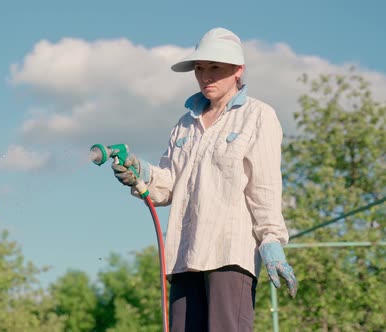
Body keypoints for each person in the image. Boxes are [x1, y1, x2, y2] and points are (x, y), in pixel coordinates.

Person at [111, 27, 298, 331]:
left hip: (230, 254)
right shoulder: (184, 124)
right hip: (184, 256)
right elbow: (167, 186)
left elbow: (264, 188)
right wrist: (140, 173)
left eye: (215, 68)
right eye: (199, 68)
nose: (206, 76)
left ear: (238, 70)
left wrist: (271, 239)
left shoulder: (258, 116)